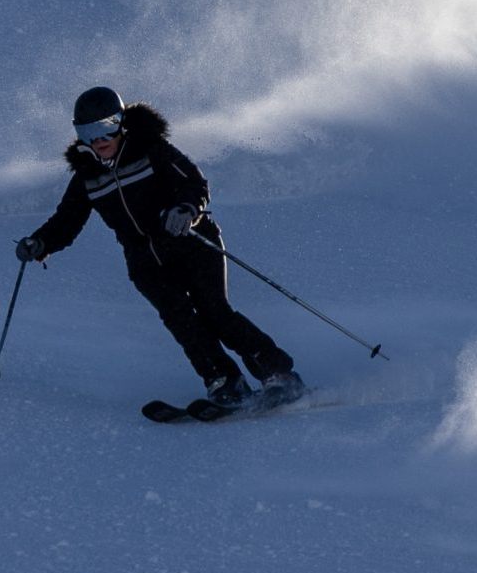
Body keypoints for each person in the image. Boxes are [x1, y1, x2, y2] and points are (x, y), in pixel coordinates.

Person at [16, 88, 303, 410]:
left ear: (122, 123)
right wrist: (40, 242)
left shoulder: (152, 151)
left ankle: (277, 374)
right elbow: (67, 221)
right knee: (180, 320)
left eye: (106, 126)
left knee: (214, 312)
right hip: (144, 260)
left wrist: (185, 210)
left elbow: (194, 183)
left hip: (190, 242)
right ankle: (224, 381)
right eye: (87, 132)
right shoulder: (87, 177)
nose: (98, 139)